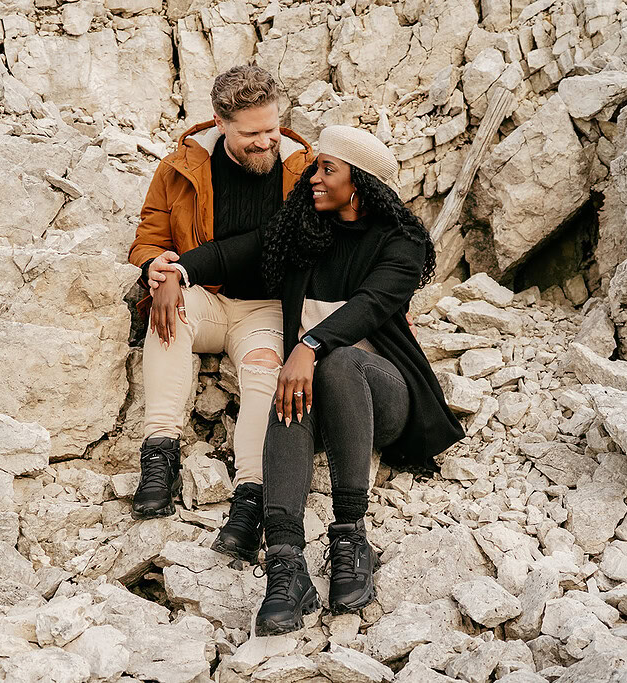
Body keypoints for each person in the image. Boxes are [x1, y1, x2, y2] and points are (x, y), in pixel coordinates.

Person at [149, 126, 464, 634]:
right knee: (289, 390)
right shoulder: (304, 228)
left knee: (334, 364)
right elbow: (239, 250)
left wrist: (308, 345)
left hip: (383, 396)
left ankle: (349, 536)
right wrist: (175, 274)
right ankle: (285, 567)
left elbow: (372, 305)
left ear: (360, 182)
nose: (312, 177)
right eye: (315, 166)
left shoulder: (400, 243)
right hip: (314, 392)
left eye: (327, 169)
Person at [127, 65, 314, 565]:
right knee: (165, 316)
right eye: (251, 133)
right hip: (206, 296)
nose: (265, 142)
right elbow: (150, 234)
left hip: (268, 308)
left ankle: (250, 495)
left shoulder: (304, 169)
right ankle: (159, 457)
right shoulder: (180, 167)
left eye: (272, 128)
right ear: (219, 122)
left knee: (261, 366)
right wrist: (158, 268)